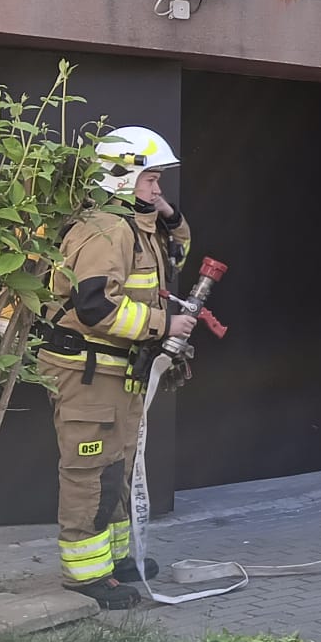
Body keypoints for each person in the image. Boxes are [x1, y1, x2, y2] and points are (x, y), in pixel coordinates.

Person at [39, 126, 196, 608]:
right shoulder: (105, 230)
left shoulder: (136, 227)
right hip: (88, 372)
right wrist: (164, 325)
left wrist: (167, 213)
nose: (158, 187)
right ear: (120, 178)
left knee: (118, 466)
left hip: (117, 371)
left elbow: (177, 253)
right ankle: (86, 575)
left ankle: (113, 560)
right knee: (90, 470)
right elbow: (96, 306)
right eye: (151, 179)